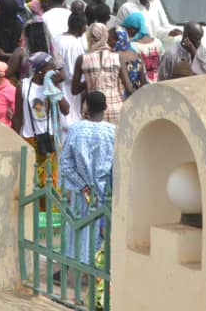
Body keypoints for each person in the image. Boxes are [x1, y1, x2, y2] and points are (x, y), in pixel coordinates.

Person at [58, 91, 116, 266]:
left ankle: (68, 266)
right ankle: (98, 269)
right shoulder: (113, 132)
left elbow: (65, 162)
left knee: (76, 227)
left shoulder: (76, 129)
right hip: (105, 191)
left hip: (82, 192)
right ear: (105, 108)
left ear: (86, 107)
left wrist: (82, 185)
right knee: (101, 230)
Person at [12, 52, 70, 185]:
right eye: (51, 68)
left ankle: (48, 206)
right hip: (30, 139)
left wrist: (54, 87)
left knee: (50, 182)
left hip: (50, 139)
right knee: (30, 181)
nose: (55, 72)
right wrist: (14, 140)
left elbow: (65, 110)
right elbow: (17, 116)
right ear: (40, 71)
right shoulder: (23, 86)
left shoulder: (52, 86)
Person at [71, 23, 130, 124]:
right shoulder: (117, 58)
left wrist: (91, 80)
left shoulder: (82, 59)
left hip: (92, 110)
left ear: (89, 38)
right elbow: (129, 88)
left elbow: (75, 90)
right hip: (116, 108)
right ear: (105, 36)